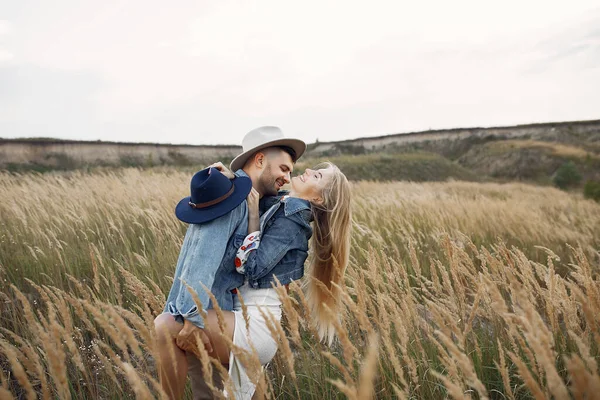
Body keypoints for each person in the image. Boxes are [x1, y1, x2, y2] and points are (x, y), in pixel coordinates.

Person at [154, 126, 306, 400]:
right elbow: (203, 255)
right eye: (284, 168)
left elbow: (285, 204)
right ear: (260, 160)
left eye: (291, 172)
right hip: (206, 314)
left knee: (211, 392)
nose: (287, 177)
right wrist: (192, 318)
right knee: (207, 390)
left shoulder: (254, 198)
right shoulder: (232, 197)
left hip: (224, 314)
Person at [203, 160, 352, 399]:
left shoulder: (293, 221)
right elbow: (257, 192)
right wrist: (234, 178)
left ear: (318, 200)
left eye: (317, 177)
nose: (308, 171)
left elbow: (252, 267)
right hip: (248, 320)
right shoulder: (282, 205)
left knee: (176, 324)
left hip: (254, 325)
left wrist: (253, 217)